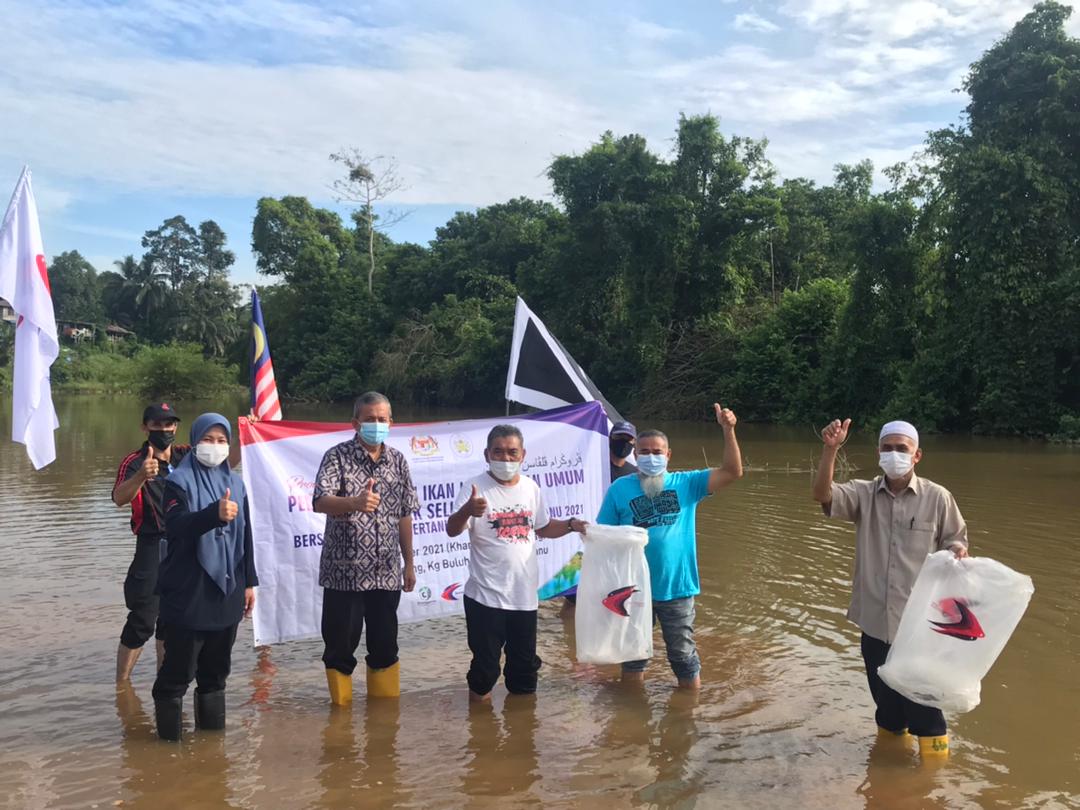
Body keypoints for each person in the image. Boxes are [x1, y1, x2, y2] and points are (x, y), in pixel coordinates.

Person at [812, 418, 969, 760]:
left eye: (902, 448)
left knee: (927, 714)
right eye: (888, 448)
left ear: (917, 456)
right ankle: (888, 780)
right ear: (878, 452)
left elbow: (957, 542)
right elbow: (822, 495)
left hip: (923, 630)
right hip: (876, 625)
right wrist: (830, 449)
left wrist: (957, 552)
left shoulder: (938, 498)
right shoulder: (863, 494)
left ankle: (931, 786)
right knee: (888, 711)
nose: (894, 454)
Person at [596, 403, 743, 689]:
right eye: (645, 452)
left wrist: (729, 430)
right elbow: (603, 536)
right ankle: (632, 713)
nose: (651, 457)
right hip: (634, 588)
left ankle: (688, 711)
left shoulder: (687, 484)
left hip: (677, 586)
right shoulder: (619, 489)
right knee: (633, 655)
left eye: (657, 452)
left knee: (683, 653)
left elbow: (732, 471)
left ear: (668, 455)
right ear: (635, 455)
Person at [446, 424, 587, 702]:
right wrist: (467, 510)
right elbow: (452, 529)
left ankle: (522, 735)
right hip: (485, 598)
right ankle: (480, 733)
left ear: (523, 455)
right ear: (487, 454)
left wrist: (571, 525)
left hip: (524, 598)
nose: (505, 459)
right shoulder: (474, 487)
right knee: (484, 671)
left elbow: (544, 527)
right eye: (498, 452)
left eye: (512, 452)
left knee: (524, 673)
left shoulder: (530, 488)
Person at [151, 413, 258, 741]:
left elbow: (247, 536)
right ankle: (167, 753)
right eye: (207, 440)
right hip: (188, 590)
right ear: (194, 443)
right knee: (177, 675)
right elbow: (176, 525)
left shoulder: (236, 484)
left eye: (222, 440)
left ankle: (212, 757)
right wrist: (213, 514)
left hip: (227, 588)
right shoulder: (177, 482)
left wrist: (250, 582)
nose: (215, 446)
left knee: (215, 674)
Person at [313, 392, 419, 704]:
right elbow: (320, 501)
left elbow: (404, 514)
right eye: (369, 419)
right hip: (344, 574)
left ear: (391, 422)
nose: (376, 424)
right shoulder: (337, 456)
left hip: (386, 573)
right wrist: (354, 503)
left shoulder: (398, 460)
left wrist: (409, 562)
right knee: (340, 649)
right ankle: (340, 724)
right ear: (355, 422)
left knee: (385, 647)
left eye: (381, 419)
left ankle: (383, 727)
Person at [111, 402, 190, 682]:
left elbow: (226, 463)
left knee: (172, 620)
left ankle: (164, 682)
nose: (164, 430)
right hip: (151, 545)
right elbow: (119, 498)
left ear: (175, 427)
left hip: (183, 545)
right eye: (157, 425)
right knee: (144, 619)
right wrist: (142, 476)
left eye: (169, 424)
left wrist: (248, 434)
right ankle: (121, 686)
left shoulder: (186, 456)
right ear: (145, 427)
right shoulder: (134, 461)